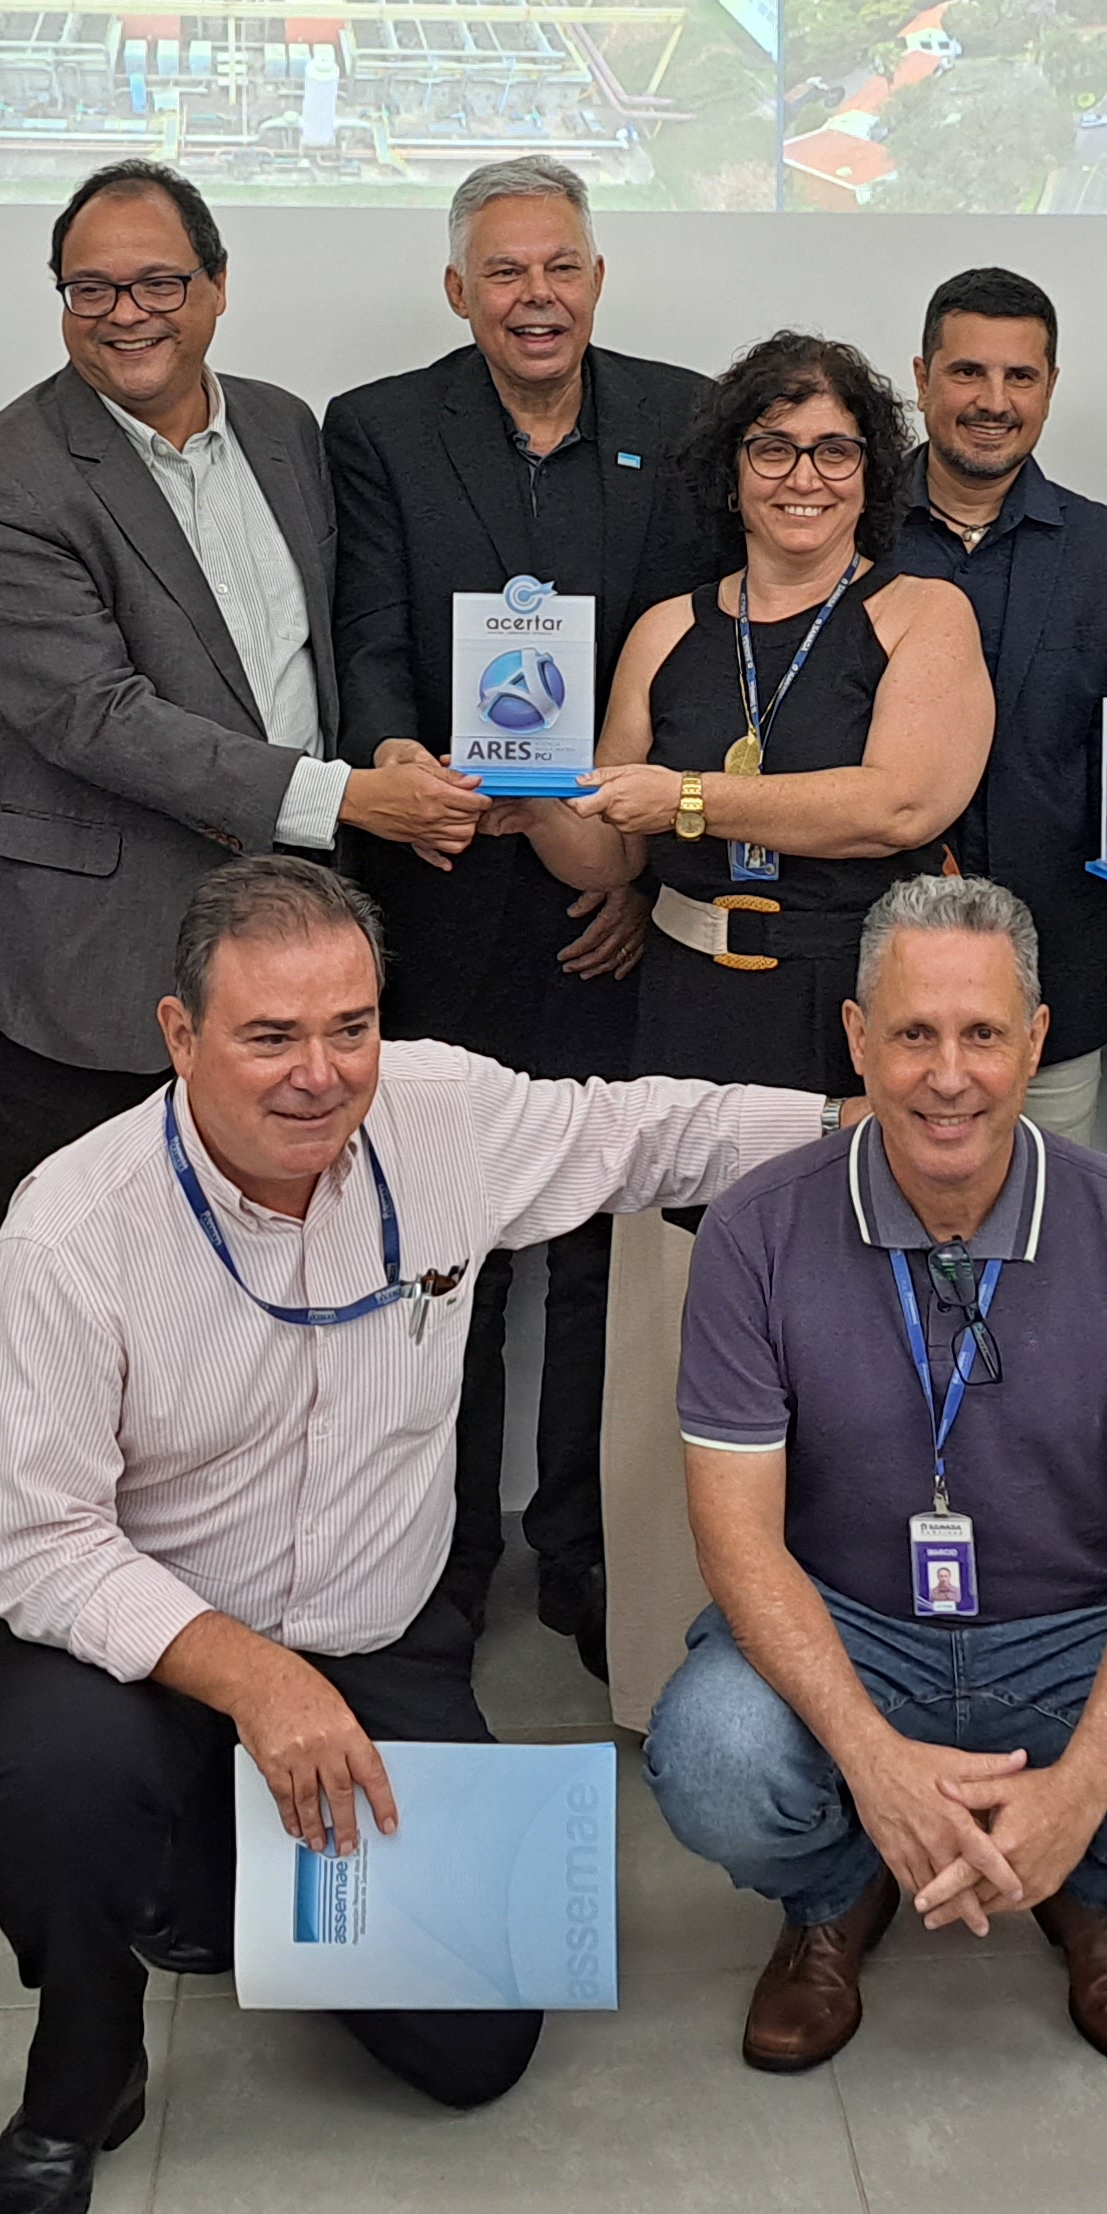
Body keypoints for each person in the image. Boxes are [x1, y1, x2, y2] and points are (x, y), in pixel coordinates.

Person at [0, 856, 824, 2214]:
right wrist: (256, 1685)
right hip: (155, 1648)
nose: (319, 1074)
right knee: (52, 1779)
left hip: (373, 1639)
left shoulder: (445, 1115)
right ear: (180, 1034)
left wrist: (878, 1124)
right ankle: (79, 2071)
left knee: (475, 2050)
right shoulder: (71, 1230)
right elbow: (38, 1548)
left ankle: (218, 1873)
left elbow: (650, 1134)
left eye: (348, 1027)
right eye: (270, 1036)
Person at [645, 878, 1107, 2076]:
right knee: (712, 1760)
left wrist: (1082, 1787)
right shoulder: (753, 1230)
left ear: (1037, 1042)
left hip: (1076, 1627)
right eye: (911, 1034)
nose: (947, 1076)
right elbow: (737, 1543)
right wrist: (872, 1761)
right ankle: (835, 1893)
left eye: (982, 1035)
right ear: (856, 1037)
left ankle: (1089, 1886)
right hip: (855, 1622)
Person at [524, 330, 989, 1725]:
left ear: (871, 474)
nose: (803, 476)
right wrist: (531, 789)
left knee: (869, 1327)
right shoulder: (668, 629)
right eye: (774, 448)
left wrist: (674, 799)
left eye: (834, 449)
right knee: (684, 1333)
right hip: (684, 1003)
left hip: (849, 1013)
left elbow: (900, 804)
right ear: (730, 471)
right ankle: (677, 1655)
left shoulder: (920, 617)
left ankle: (876, 1664)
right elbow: (600, 862)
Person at [0, 160, 486, 1265]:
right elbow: (94, 715)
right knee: (78, 1331)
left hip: (284, 978)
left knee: (277, 1316)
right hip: (79, 983)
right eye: (91, 289)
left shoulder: (284, 432)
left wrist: (395, 754)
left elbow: (315, 655)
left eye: (158, 284)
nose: (125, 315)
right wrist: (354, 798)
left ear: (219, 287)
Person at [324, 157, 718, 1671]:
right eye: (505, 272)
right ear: (458, 291)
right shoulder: (380, 428)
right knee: (445, 1243)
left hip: (609, 908)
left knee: (602, 1237)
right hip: (438, 894)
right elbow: (365, 636)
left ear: (598, 281)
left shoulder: (683, 424)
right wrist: (397, 766)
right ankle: (443, 1548)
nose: (536, 294)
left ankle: (584, 1544)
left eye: (560, 267)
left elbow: (697, 668)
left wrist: (640, 872)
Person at [880, 269, 1107, 1148]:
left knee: (1046, 1251)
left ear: (1049, 388)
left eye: (1021, 377)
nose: (993, 401)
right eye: (967, 373)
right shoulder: (843, 530)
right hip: (863, 973)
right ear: (922, 379)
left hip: (1050, 984)